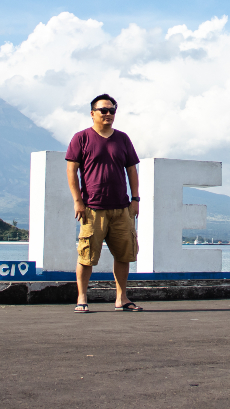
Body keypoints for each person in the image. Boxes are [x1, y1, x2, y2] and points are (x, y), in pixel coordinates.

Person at [66, 93, 143, 313]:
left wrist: (135, 199)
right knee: (87, 255)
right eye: (104, 110)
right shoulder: (81, 138)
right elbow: (71, 170)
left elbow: (131, 170)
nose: (108, 114)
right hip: (92, 208)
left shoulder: (123, 139)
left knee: (124, 254)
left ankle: (122, 298)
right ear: (92, 114)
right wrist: (77, 201)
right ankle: (82, 297)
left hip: (121, 208)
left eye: (112, 110)